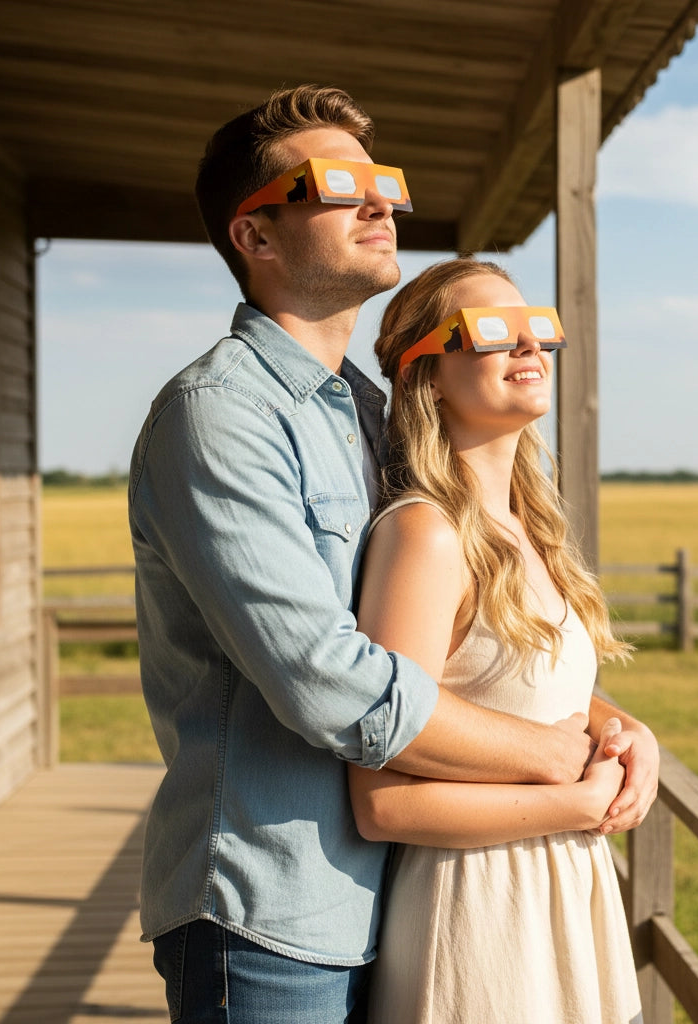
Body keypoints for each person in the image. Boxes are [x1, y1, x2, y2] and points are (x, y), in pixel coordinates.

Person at [127, 85, 659, 1024]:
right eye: (340, 186)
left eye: (386, 184)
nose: (382, 205)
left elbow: (473, 645)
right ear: (255, 237)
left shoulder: (364, 419)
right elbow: (328, 680)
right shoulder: (218, 417)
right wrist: (556, 759)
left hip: (391, 897)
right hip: (270, 907)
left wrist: (607, 722)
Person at [349, 256, 647, 1023]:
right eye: (489, 331)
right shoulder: (425, 535)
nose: (527, 347)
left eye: (537, 329)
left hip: (563, 893)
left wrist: (623, 728)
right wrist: (579, 804)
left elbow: (536, 694)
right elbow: (382, 803)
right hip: (482, 916)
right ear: (427, 373)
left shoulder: (528, 528)